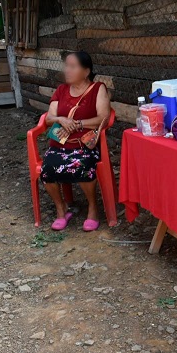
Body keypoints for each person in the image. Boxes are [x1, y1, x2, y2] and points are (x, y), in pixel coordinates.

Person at [41, 51, 111, 232]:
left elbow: (104, 117)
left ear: (86, 71)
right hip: (60, 144)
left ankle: (93, 209)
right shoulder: (61, 90)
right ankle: (61, 209)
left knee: (82, 166)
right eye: (67, 66)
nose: (67, 70)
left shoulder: (98, 89)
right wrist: (61, 120)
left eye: (73, 67)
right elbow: (49, 118)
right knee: (47, 169)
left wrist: (79, 123)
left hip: (85, 145)